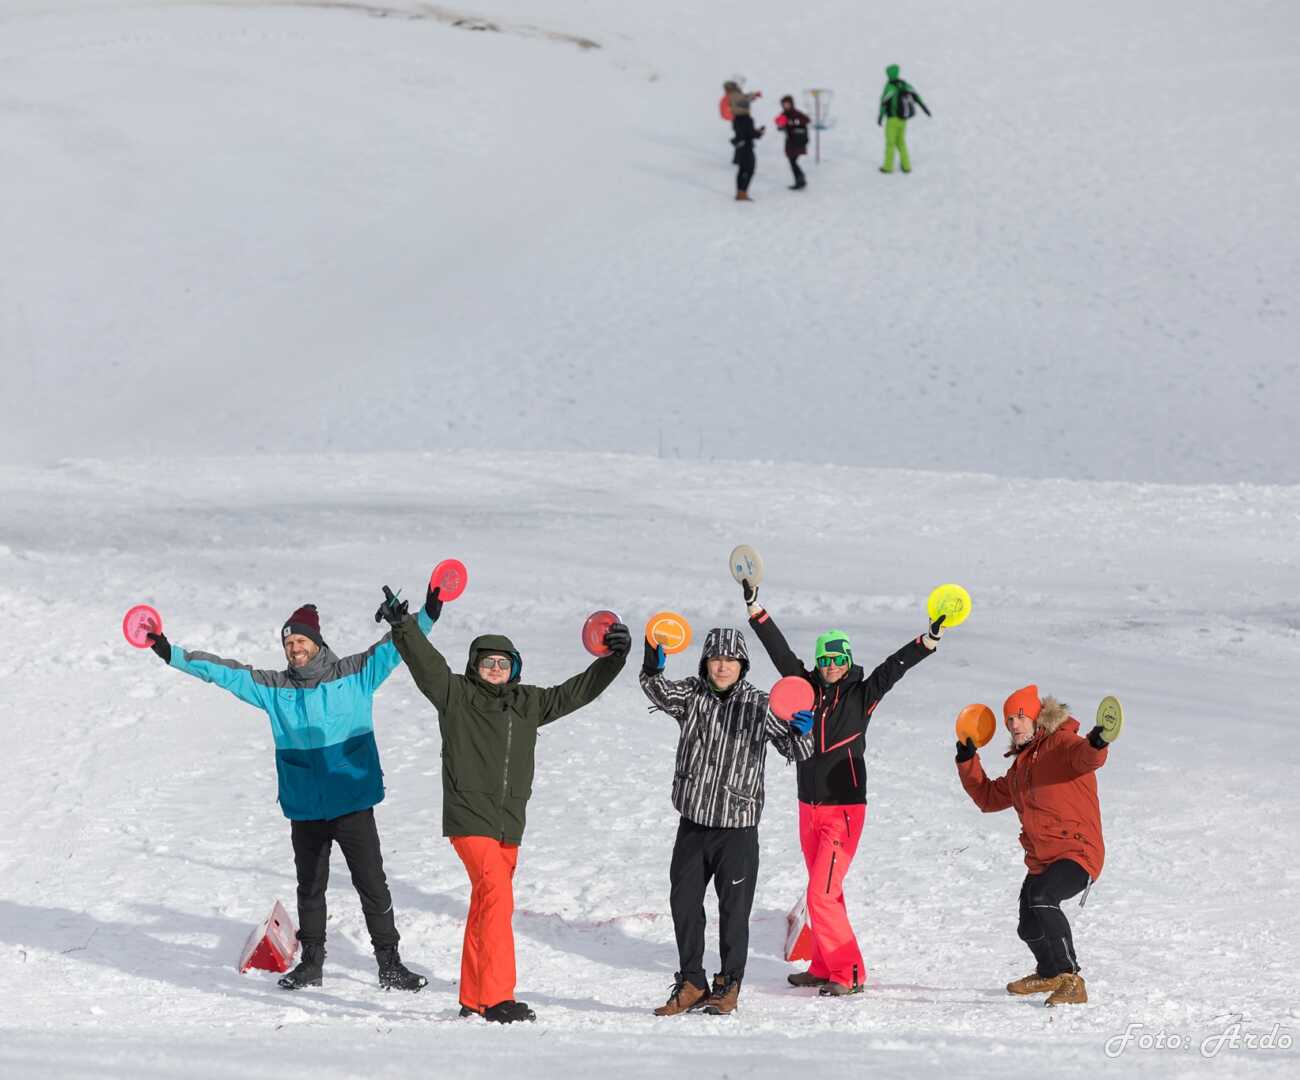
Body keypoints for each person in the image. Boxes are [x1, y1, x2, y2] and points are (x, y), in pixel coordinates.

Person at [142, 593, 440, 993]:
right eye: (288, 644)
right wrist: (168, 651)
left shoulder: (355, 673)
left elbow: (396, 647)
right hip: (305, 808)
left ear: (317, 642)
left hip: (352, 804)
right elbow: (224, 672)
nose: (294, 649)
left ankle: (390, 963)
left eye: (300, 641)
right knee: (310, 889)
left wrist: (426, 615)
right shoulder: (274, 687)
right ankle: (311, 964)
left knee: (372, 885)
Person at [383, 589, 630, 1024]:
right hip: (469, 818)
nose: (495, 670)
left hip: (509, 824)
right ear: (475, 667)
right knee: (497, 899)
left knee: (486, 905)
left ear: (513, 668)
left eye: (503, 663)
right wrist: (404, 627)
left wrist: (613, 660)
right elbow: (428, 666)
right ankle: (498, 998)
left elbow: (577, 692)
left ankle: (473, 997)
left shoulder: (528, 703)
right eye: (487, 663)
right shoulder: (455, 695)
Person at [742, 579, 944, 996]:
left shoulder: (861, 694)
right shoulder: (806, 689)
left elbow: (894, 666)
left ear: (847, 659)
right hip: (807, 807)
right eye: (824, 659)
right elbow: (780, 654)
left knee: (822, 891)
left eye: (836, 658)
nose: (830, 664)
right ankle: (822, 964)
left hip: (844, 809)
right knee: (825, 892)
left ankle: (850, 973)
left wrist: (928, 640)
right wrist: (756, 609)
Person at [639, 627, 812, 1017]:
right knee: (684, 903)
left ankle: (729, 985)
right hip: (693, 822)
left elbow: (794, 748)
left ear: (742, 665)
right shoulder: (691, 694)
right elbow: (657, 690)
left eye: (730, 660)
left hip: (737, 828)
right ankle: (692, 982)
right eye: (716, 659)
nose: (722, 666)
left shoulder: (759, 704)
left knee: (734, 911)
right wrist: (652, 666)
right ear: (705, 662)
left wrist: (802, 731)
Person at [955, 685, 1122, 1007]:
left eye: (1020, 716)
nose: (1014, 724)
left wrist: (1098, 741)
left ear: (1038, 717)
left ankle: (1071, 978)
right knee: (1028, 926)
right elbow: (988, 799)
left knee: (1044, 898)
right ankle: (1048, 972)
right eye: (1008, 720)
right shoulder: (1021, 768)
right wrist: (967, 760)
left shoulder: (1062, 744)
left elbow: (1087, 757)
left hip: (1078, 852)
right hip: (1042, 859)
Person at [877, 63, 931, 174]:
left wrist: (880, 116)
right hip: (903, 120)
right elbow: (916, 96)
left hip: (892, 120)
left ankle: (887, 167)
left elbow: (883, 102)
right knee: (901, 142)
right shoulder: (904, 84)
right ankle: (906, 166)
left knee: (890, 143)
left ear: (888, 74)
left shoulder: (889, 86)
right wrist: (924, 108)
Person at [775, 95, 811, 190]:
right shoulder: (783, 114)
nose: (786, 106)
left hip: (798, 141)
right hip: (790, 141)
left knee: (793, 161)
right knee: (792, 162)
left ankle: (800, 180)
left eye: (787, 104)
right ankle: (800, 180)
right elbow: (780, 126)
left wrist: (792, 122)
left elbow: (806, 120)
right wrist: (781, 125)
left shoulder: (796, 113)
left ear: (791, 104)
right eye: (784, 104)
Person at [732, 113, 765, 201]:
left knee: (742, 169)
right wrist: (759, 133)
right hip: (747, 147)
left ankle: (739, 192)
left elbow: (743, 132)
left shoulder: (736, 118)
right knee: (750, 169)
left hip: (740, 147)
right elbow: (750, 134)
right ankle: (743, 192)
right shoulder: (748, 119)